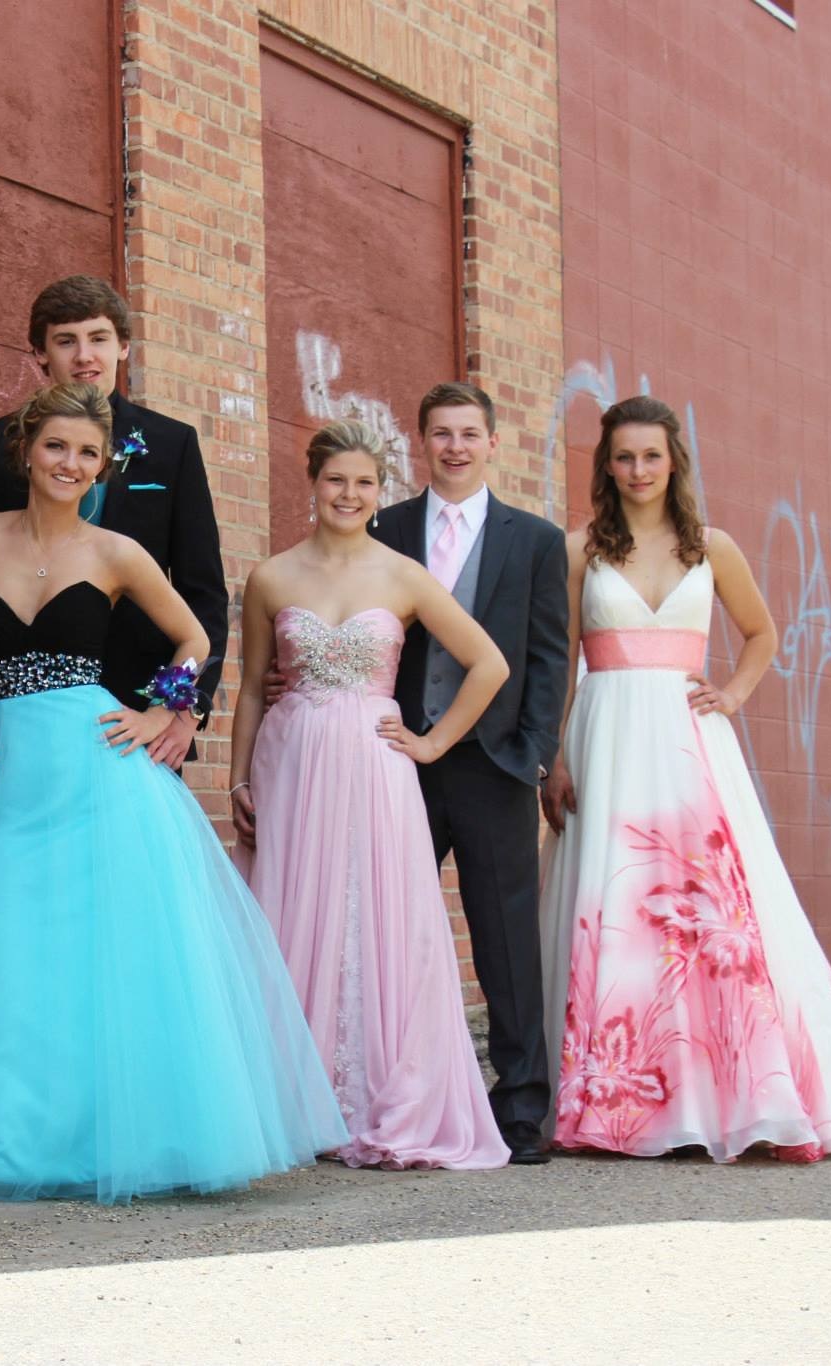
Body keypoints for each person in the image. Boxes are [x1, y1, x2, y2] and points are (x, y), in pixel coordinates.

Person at [0, 382, 347, 1202]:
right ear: (26, 451)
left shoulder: (116, 551)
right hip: (8, 777)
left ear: (103, 464)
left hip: (99, 767)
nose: (71, 464)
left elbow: (194, 631)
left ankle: (117, 1136)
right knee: (4, 948)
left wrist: (164, 705)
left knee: (106, 955)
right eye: (57, 447)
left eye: (88, 453)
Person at [539, 395, 831, 1161]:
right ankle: (618, 1101)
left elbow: (764, 632)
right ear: (606, 464)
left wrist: (730, 695)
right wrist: (557, 756)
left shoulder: (713, 545)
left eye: (652, 456)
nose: (638, 470)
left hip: (689, 740)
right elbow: (558, 659)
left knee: (712, 913)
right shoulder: (580, 551)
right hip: (604, 735)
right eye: (624, 456)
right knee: (620, 909)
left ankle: (731, 1088)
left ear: (675, 462)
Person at [269, 382, 568, 1164]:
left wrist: (533, 753)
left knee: (504, 937)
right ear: (423, 443)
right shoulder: (384, 525)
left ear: (491, 442)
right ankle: (366, 1085)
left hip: (491, 761)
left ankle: (522, 1110)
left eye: (470, 433)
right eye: (441, 433)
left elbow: (541, 657)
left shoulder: (532, 538)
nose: (456, 446)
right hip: (383, 760)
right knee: (376, 927)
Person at [233, 419, 511, 1169]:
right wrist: (238, 776)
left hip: (374, 767)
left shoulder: (403, 575)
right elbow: (253, 692)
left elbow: (488, 663)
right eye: (335, 480)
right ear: (313, 484)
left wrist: (432, 742)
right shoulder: (271, 577)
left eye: (363, 483)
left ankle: (383, 1094)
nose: (348, 494)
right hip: (291, 765)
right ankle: (297, 1096)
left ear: (378, 493)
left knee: (379, 916)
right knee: (296, 912)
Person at [0, 274, 227, 780]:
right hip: (20, 730)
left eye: (99, 339)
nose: (84, 356)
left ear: (124, 347)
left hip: (137, 731)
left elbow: (203, 593)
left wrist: (182, 709)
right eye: (66, 341)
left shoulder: (173, 445)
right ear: (41, 355)